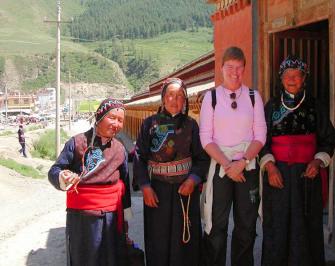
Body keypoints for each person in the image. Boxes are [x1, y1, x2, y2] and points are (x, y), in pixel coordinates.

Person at [259, 55, 335, 266]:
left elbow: (328, 139)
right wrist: (270, 166)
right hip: (278, 176)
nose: (292, 79)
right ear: (280, 78)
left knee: (306, 228)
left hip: (306, 176)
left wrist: (317, 162)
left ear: (304, 78)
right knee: (277, 227)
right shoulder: (271, 106)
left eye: (297, 75)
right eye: (287, 75)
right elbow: (260, 141)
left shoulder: (315, 106)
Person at [199, 46, 267, 266]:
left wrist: (243, 162)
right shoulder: (211, 98)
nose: (235, 72)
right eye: (230, 67)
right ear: (221, 69)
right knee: (216, 225)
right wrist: (229, 165)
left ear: (244, 69)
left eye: (239, 68)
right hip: (221, 167)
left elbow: (261, 135)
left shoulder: (253, 97)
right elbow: (206, 137)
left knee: (246, 226)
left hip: (248, 166)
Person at [134, 78, 210, 266]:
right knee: (158, 239)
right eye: (170, 95)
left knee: (185, 240)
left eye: (179, 96)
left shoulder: (191, 125)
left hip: (185, 191)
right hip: (156, 191)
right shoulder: (148, 124)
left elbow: (201, 157)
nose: (174, 100)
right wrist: (145, 186)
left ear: (184, 100)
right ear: (163, 98)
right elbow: (139, 156)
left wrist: (193, 179)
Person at [48, 98, 132, 266]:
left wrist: (126, 218)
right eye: (112, 118)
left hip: (111, 216)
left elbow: (124, 183)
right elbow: (54, 171)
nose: (116, 124)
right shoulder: (77, 143)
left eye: (120, 120)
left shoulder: (120, 149)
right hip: (82, 219)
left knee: (111, 260)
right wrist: (63, 177)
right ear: (99, 117)